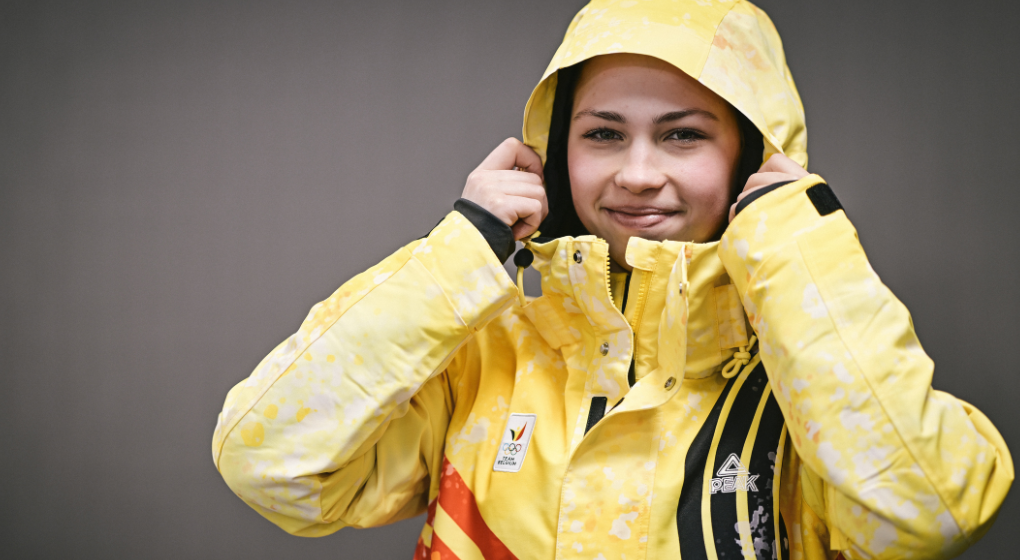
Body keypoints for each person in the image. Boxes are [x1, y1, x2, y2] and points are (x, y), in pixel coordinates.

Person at [211, 1, 1013, 558]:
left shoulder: (814, 371)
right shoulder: (485, 351)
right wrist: (461, 250)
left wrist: (793, 234)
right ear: (558, 156)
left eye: (682, 135)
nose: (637, 174)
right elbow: (272, 464)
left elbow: (926, 517)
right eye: (602, 134)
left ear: (750, 157)